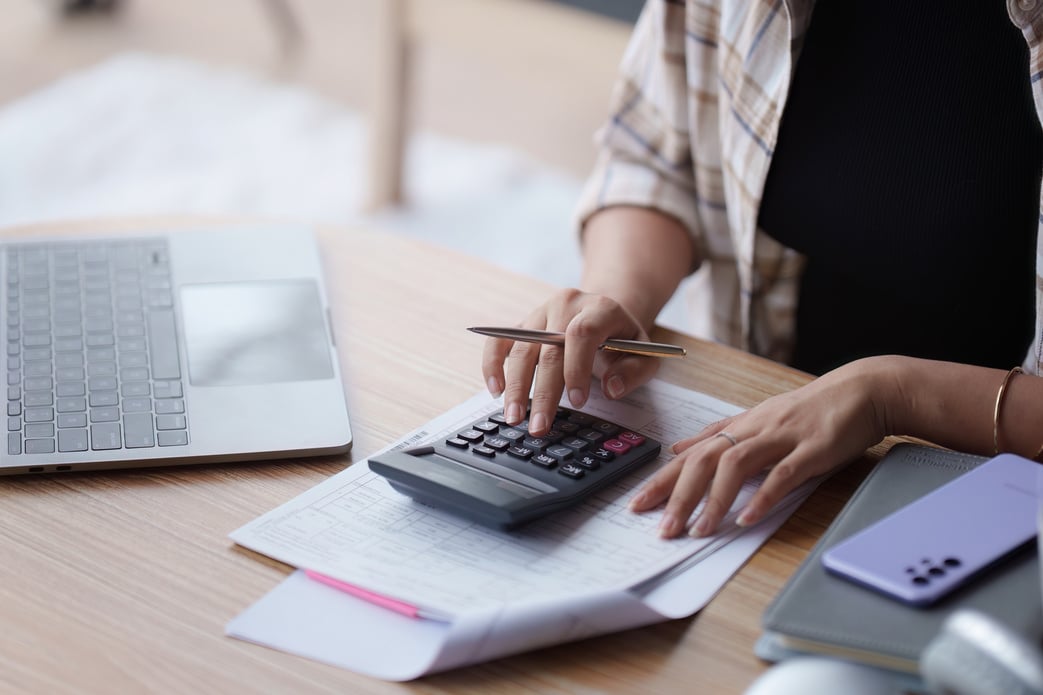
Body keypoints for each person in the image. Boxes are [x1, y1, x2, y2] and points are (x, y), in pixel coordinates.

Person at [480, 0, 1043, 539]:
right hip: (761, 405)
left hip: (1003, 475)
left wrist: (891, 394)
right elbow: (654, 153)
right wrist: (615, 294)